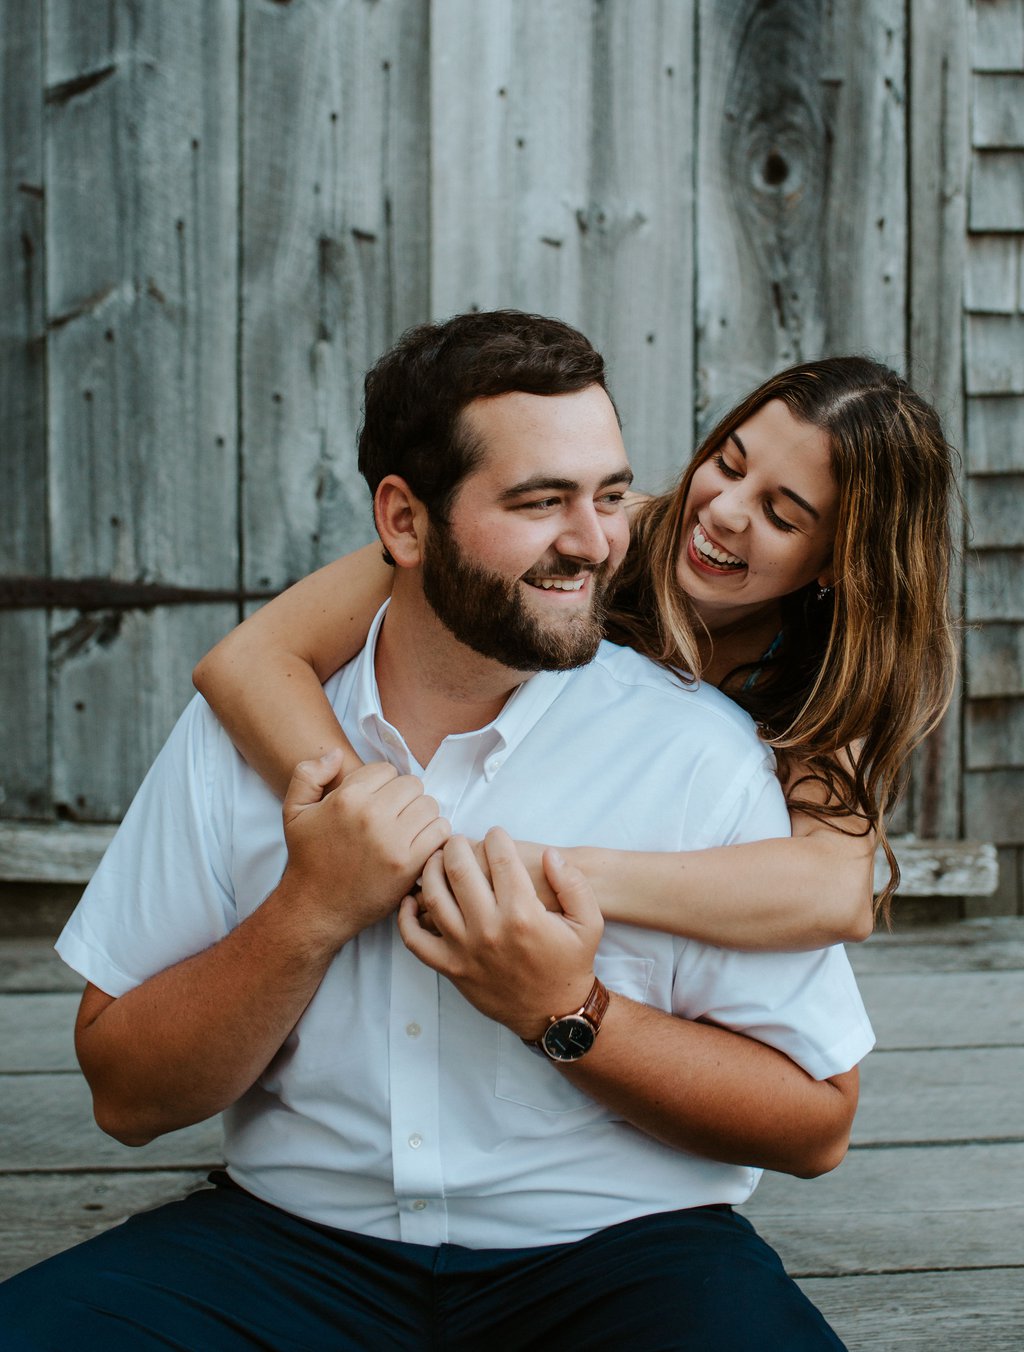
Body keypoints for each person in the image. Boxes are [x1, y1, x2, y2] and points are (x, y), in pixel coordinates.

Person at [0, 311, 873, 1351]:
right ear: (404, 522)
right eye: (540, 500)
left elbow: (817, 1111)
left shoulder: (711, 755)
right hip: (293, 1243)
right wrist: (309, 909)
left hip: (623, 1253)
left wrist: (565, 1007)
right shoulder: (251, 731)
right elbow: (124, 1094)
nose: (597, 540)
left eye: (607, 495)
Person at [194, 352, 958, 951]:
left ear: (838, 563)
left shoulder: (824, 669)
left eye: (781, 515)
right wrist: (376, 832)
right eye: (729, 463)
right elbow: (248, 661)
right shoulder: (590, 539)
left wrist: (554, 871)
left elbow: (834, 893)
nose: (724, 511)